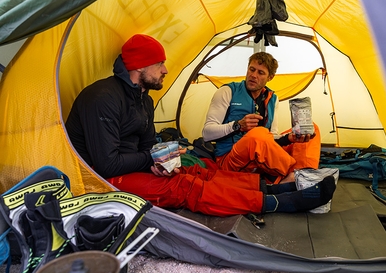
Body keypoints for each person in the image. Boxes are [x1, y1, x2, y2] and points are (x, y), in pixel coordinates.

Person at [66, 34, 336, 217]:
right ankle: (276, 200)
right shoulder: (102, 98)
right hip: (103, 180)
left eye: (260, 72)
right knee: (185, 186)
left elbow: (148, 146)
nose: (165, 70)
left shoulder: (144, 100)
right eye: (160, 63)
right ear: (140, 66)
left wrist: (163, 159)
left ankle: (275, 185)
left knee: (196, 169)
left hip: (135, 166)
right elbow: (106, 166)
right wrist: (151, 159)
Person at [202, 52, 322, 184]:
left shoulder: (272, 99)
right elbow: (207, 134)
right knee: (258, 134)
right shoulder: (227, 91)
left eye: (260, 73)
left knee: (310, 129)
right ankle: (297, 175)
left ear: (270, 77)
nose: (253, 75)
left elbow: (271, 137)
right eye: (251, 69)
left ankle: (296, 175)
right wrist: (237, 125)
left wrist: (288, 138)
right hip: (230, 158)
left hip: (259, 154)